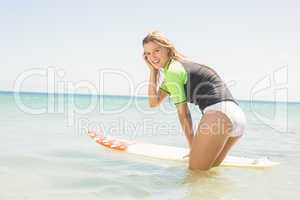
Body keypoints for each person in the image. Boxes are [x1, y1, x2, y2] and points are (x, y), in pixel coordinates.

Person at [143, 31, 247, 170]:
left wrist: (193, 147)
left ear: (167, 49)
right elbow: (153, 102)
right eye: (148, 54)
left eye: (156, 50)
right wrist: (153, 71)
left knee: (195, 176)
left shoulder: (173, 71)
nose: (152, 57)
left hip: (218, 117)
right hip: (237, 117)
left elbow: (183, 114)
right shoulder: (179, 68)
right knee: (208, 177)